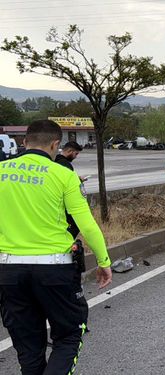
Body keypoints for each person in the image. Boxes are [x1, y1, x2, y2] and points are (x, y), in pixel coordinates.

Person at [0, 119, 112, 375]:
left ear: (24, 142)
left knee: (28, 345)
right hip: (55, 271)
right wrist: (104, 262)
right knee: (70, 335)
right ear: (55, 145)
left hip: (9, 271)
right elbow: (88, 225)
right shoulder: (64, 175)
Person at [55, 141, 87, 238]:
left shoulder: (54, 161)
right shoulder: (65, 165)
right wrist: (79, 181)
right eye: (75, 153)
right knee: (75, 224)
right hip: (63, 201)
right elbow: (67, 184)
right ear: (69, 151)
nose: (76, 156)